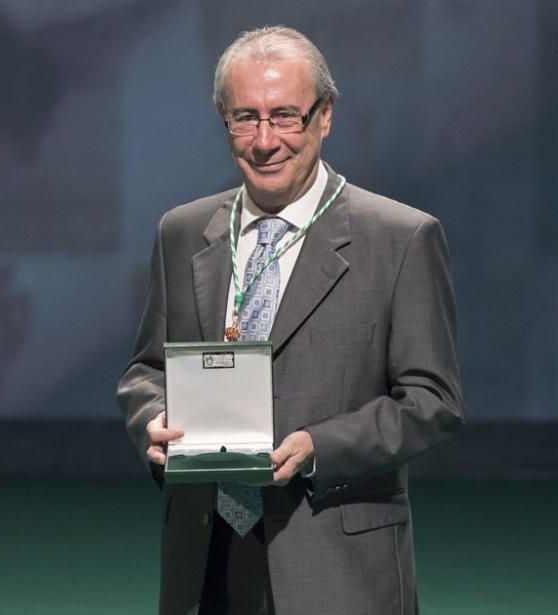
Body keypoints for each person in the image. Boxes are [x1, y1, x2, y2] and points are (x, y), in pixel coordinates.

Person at [117, 26, 463, 614]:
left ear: (325, 115)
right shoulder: (182, 231)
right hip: (206, 555)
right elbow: (147, 370)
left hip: (335, 559)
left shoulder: (401, 238)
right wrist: (152, 418)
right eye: (245, 117)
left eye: (285, 116)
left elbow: (432, 399)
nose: (264, 140)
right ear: (222, 117)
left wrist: (318, 446)